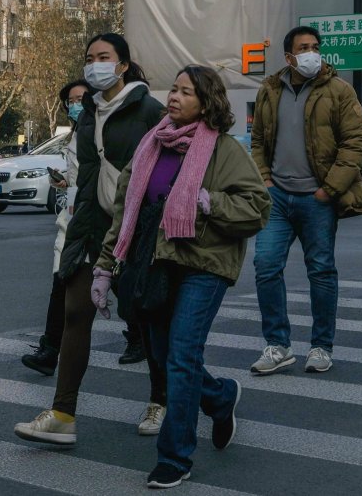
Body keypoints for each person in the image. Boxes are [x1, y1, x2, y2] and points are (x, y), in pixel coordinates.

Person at [93, 66, 271, 490]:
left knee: (182, 354)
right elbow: (126, 209)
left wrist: (212, 202)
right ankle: (221, 396)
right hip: (154, 265)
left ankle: (175, 457)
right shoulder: (151, 144)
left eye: (186, 92)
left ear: (206, 102)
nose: (174, 97)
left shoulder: (224, 150)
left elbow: (257, 207)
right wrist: (104, 265)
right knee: (166, 354)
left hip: (203, 263)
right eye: (173, 89)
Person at [15, 34, 166, 446]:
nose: (94, 64)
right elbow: (84, 179)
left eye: (104, 57)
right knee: (75, 314)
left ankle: (164, 400)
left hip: (136, 232)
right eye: (89, 58)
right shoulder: (87, 115)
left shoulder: (149, 111)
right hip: (92, 230)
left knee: (147, 320)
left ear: (122, 65)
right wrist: (76, 229)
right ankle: (63, 413)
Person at [249, 25, 362, 376]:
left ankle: (321, 346)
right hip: (277, 198)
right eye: (304, 48)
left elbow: (354, 144)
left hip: (318, 198)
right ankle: (277, 345)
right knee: (265, 266)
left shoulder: (339, 90)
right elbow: (257, 141)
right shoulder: (269, 89)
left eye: (316, 46)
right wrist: (265, 180)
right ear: (289, 57)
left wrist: (328, 190)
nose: (312, 53)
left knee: (320, 271)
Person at [22, 79, 91, 377]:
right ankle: (49, 350)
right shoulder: (75, 134)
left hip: (94, 221)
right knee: (60, 285)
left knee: (121, 290)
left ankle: (141, 336)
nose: (75, 105)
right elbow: (78, 175)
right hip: (72, 220)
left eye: (81, 98)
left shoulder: (101, 132)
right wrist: (64, 180)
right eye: (70, 101)